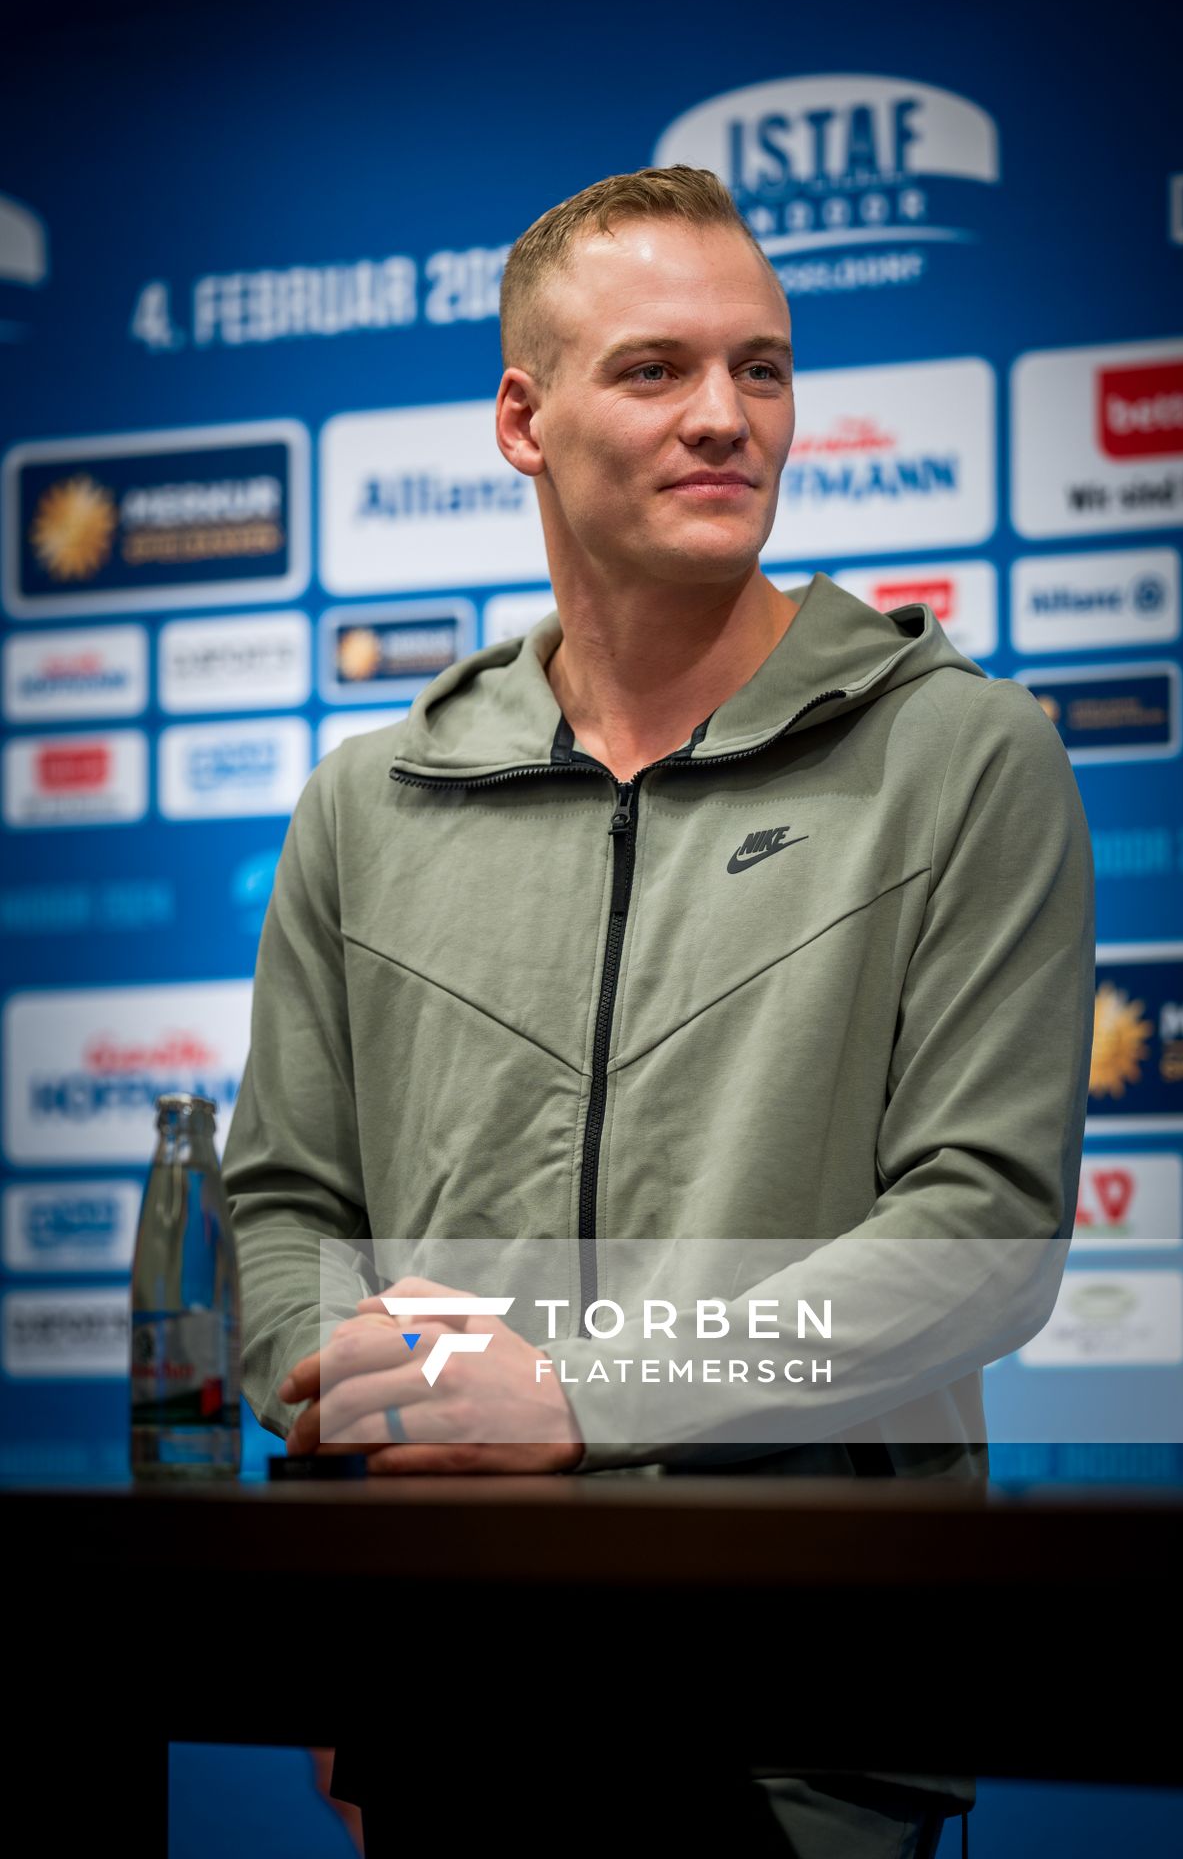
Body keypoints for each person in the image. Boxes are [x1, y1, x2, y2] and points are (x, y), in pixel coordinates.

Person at [222, 165, 1095, 1856]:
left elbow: (981, 1237)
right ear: (522, 420)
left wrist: (572, 1392)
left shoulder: (965, 755)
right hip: (449, 1698)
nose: (727, 419)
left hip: (804, 1725)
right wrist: (367, 1413)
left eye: (760, 368)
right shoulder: (368, 800)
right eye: (657, 370)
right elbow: (281, 1212)